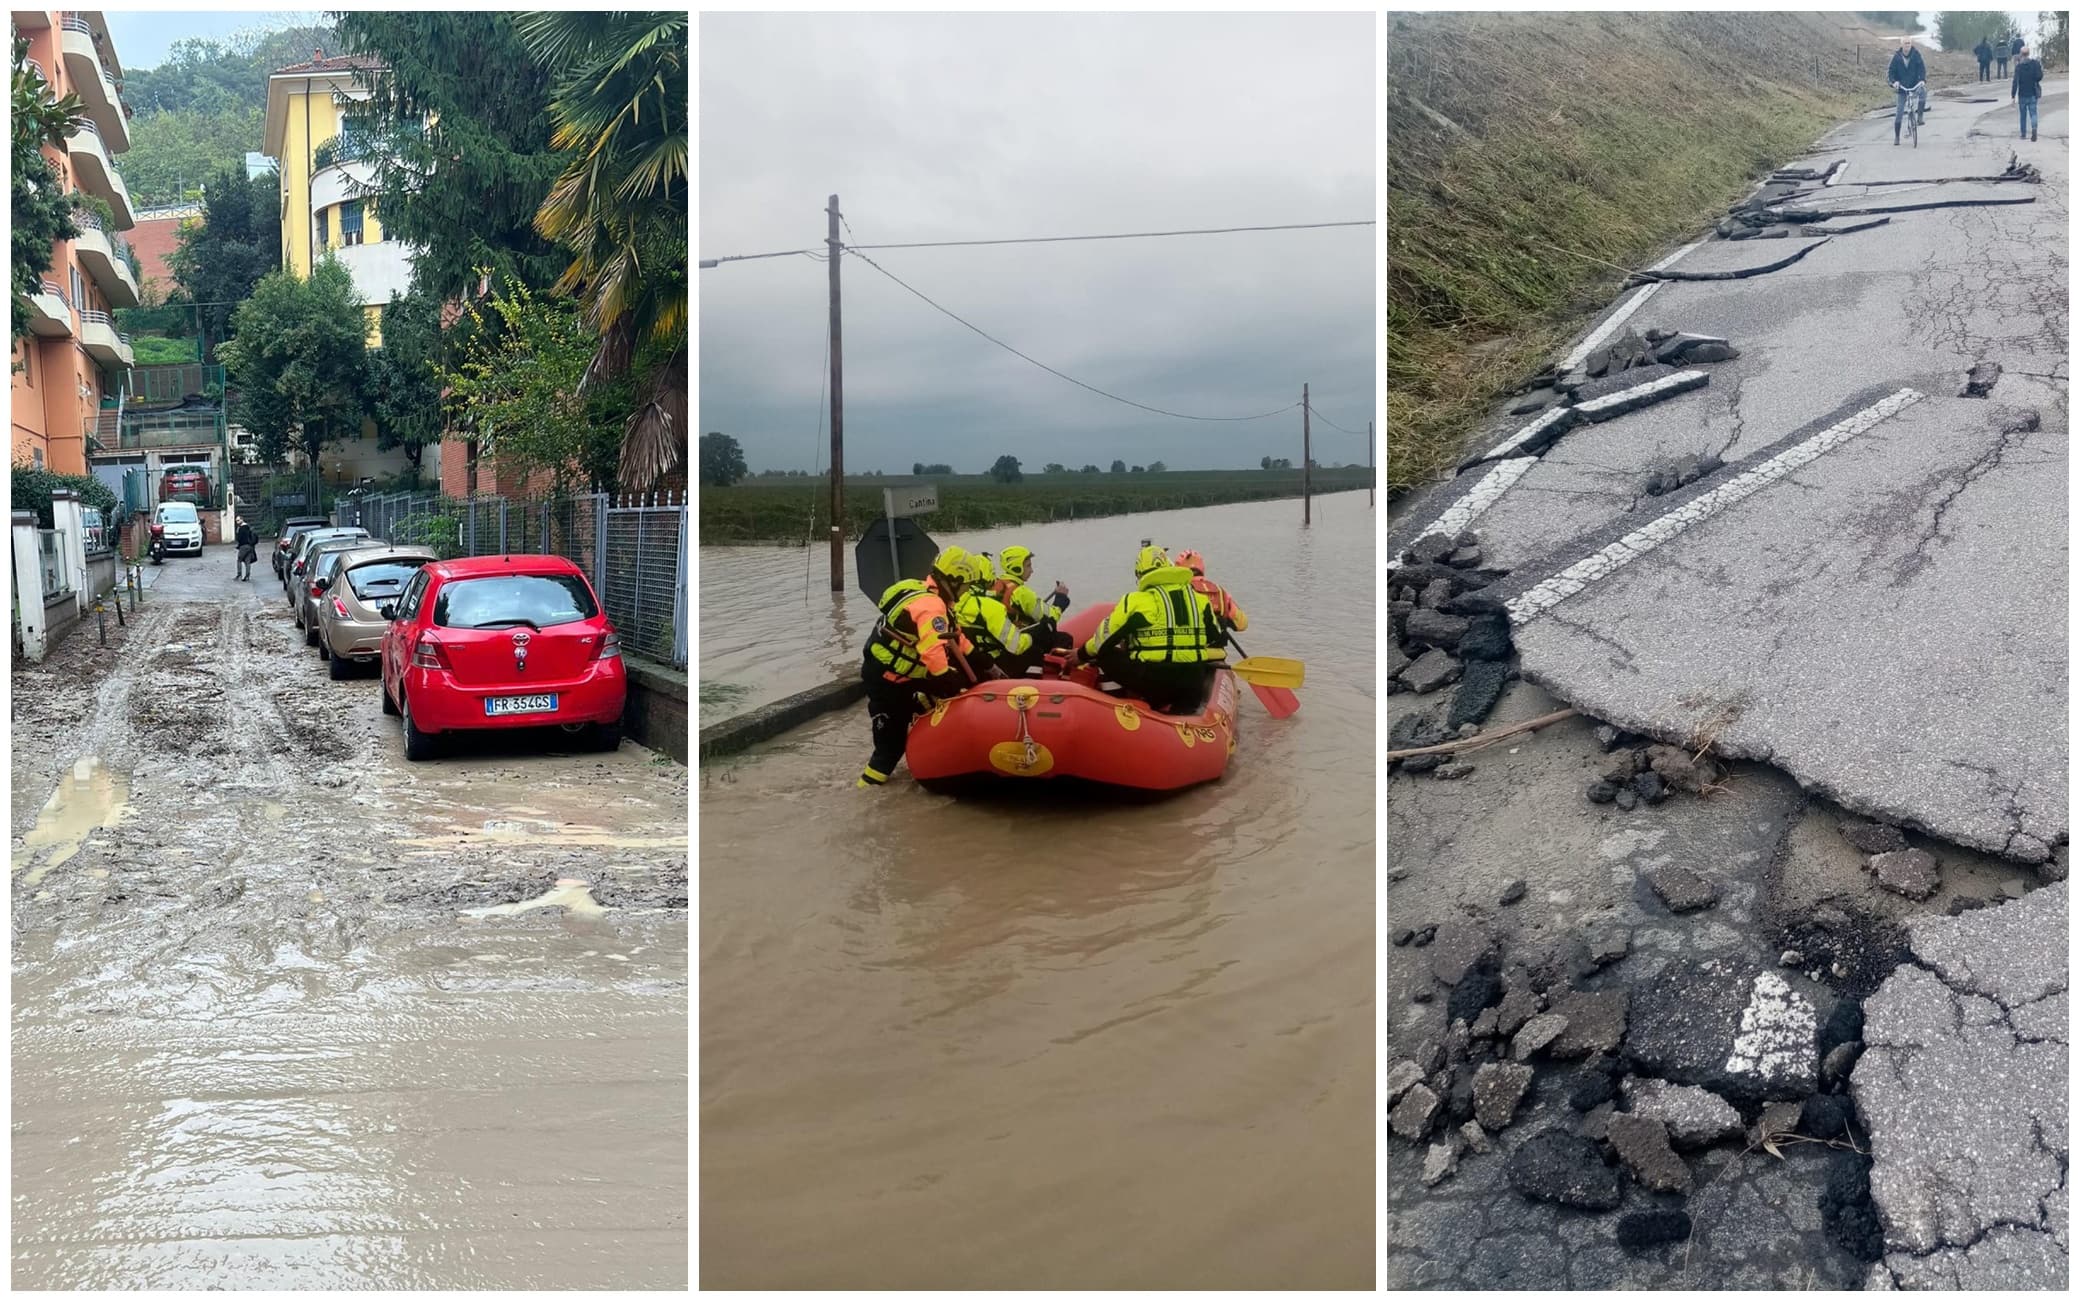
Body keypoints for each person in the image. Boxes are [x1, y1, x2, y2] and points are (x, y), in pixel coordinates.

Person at [858, 546, 975, 788]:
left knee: (947, 688)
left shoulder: (930, 594)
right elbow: (933, 651)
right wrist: (945, 677)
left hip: (904, 676)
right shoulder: (932, 606)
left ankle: (921, 707)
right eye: (966, 585)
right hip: (885, 681)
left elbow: (953, 637)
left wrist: (982, 661)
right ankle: (866, 795)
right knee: (888, 750)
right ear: (954, 580)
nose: (967, 591)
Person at [1071, 544, 1227, 715]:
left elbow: (1103, 640)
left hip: (1155, 684)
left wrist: (1080, 655)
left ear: (1140, 574)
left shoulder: (1136, 601)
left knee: (1104, 655)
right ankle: (1184, 711)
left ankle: (1119, 707)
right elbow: (1217, 639)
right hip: (1192, 684)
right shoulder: (1200, 601)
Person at [953, 554, 1041, 678]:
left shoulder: (951, 605)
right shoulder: (990, 607)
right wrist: (1032, 635)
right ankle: (1031, 690)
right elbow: (1017, 646)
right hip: (992, 665)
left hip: (968, 664)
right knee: (1035, 652)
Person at [989, 546, 1073, 648]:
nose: (1031, 570)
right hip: (1019, 641)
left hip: (1002, 639)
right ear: (1017, 568)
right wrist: (1061, 597)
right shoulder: (1021, 593)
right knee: (1065, 638)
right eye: (1028, 566)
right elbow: (1051, 617)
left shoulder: (997, 585)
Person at [1171, 549, 1250, 636]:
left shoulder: (1177, 592)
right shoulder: (1220, 592)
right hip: (1217, 648)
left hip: (1190, 647)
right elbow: (1242, 624)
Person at [1887, 37, 1927, 146]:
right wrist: (1894, 82)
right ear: (1901, 44)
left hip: (1914, 85)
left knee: (1923, 91)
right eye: (1905, 43)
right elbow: (1890, 72)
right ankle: (1897, 137)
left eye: (1909, 43)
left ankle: (1919, 117)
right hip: (1902, 88)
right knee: (1899, 112)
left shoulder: (1916, 55)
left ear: (1911, 44)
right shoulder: (1896, 57)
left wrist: (1922, 80)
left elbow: (1922, 68)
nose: (1907, 45)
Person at [2014, 44, 2043, 140]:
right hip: (2032, 93)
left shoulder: (2018, 67)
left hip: (2022, 94)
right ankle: (2034, 129)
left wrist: (2012, 95)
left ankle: (2023, 134)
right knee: (2033, 113)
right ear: (2029, 53)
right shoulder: (2035, 64)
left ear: (2021, 54)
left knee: (2023, 115)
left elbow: (2015, 82)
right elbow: (2039, 76)